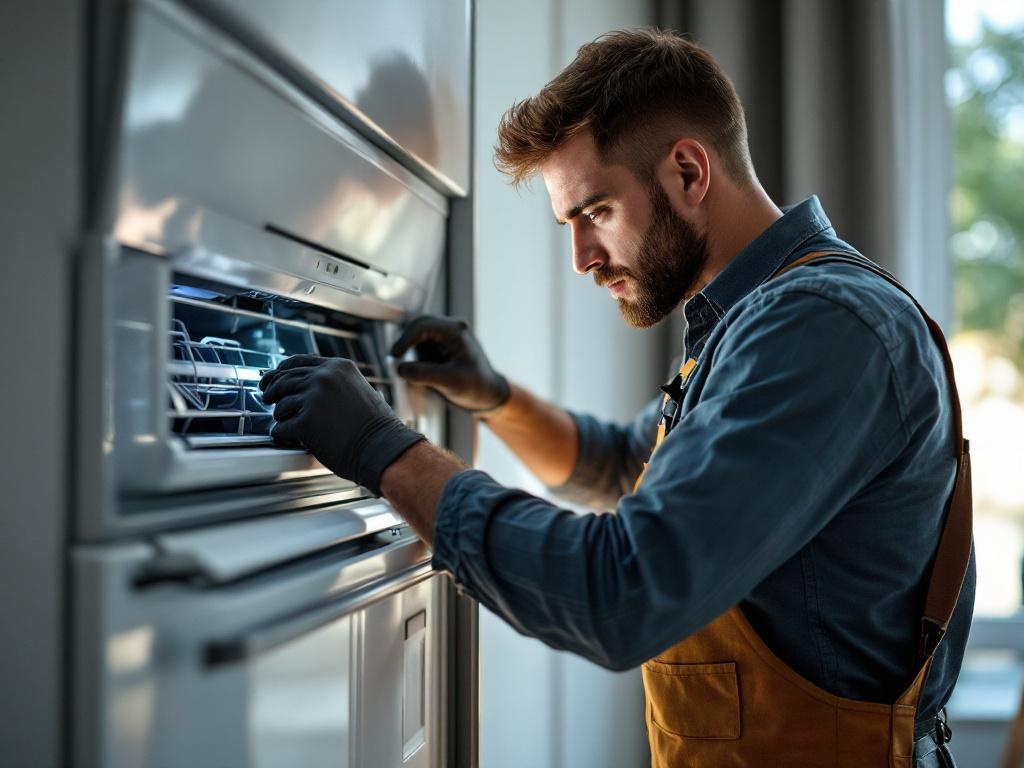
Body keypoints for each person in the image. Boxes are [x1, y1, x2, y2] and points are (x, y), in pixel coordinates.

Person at [259, 29, 975, 767]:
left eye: (594, 211)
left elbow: (623, 592)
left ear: (689, 172)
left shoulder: (819, 326)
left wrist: (385, 452)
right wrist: (491, 395)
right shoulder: (747, 322)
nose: (581, 259)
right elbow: (618, 466)